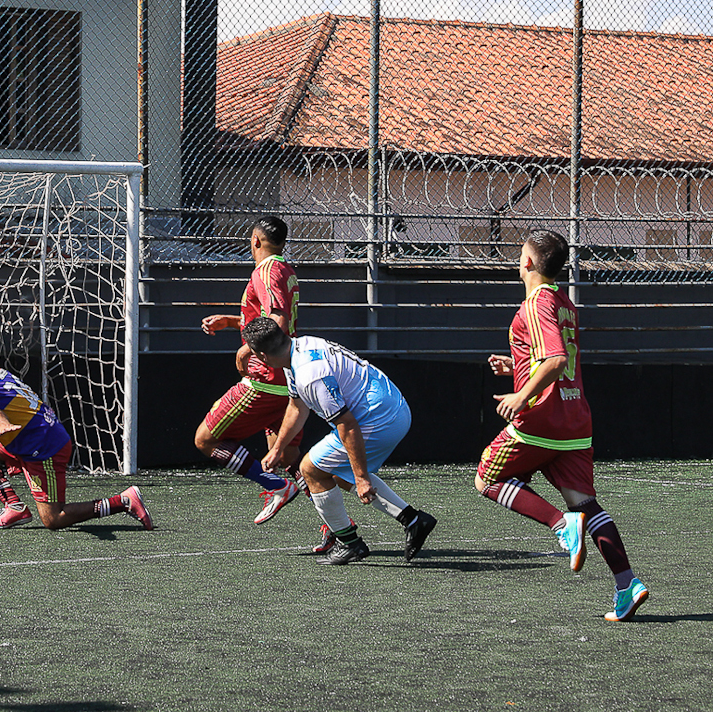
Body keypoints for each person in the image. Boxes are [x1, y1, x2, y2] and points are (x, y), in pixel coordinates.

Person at [475, 230, 648, 621]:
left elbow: (553, 360)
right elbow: (551, 357)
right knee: (585, 503)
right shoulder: (564, 302)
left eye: (520, 254)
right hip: (574, 420)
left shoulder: (535, 304)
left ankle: (560, 525)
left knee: (486, 480)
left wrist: (521, 395)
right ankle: (627, 584)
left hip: (542, 417)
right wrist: (516, 367)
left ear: (529, 263)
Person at [243, 317, 438, 565]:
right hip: (391, 406)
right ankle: (413, 520)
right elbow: (296, 405)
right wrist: (278, 449)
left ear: (260, 355)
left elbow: (347, 425)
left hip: (379, 418)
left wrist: (361, 477)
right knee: (331, 471)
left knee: (310, 470)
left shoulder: (308, 374)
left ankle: (349, 544)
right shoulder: (297, 349)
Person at [0, 339, 153, 532]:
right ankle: (14, 507)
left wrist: (1, 423)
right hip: (30, 435)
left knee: (53, 519)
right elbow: (7, 414)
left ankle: (123, 501)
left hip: (43, 448)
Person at [196, 215, 307, 527]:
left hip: (265, 380)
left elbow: (278, 320)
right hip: (288, 380)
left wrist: (249, 347)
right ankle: (338, 529)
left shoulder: (266, 269)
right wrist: (232, 322)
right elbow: (268, 316)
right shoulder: (284, 269)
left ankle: (276, 487)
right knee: (288, 458)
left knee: (205, 440)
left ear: (255, 241)